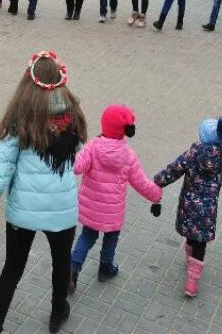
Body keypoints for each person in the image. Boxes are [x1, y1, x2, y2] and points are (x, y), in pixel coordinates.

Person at [0, 51, 86, 334]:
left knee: (12, 268)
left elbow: (1, 174)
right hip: (62, 210)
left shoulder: (19, 119)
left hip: (22, 211)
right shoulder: (72, 115)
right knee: (61, 264)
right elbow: (81, 160)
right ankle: (57, 313)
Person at [69, 105, 161, 294]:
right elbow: (141, 182)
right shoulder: (128, 155)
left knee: (87, 235)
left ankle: (72, 268)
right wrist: (156, 195)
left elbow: (77, 167)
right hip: (113, 211)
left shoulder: (93, 147)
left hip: (91, 207)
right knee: (111, 238)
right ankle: (105, 269)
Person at [153, 118, 222, 298]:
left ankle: (190, 267)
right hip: (209, 207)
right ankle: (192, 280)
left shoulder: (196, 152)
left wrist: (158, 181)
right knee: (201, 241)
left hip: (189, 204)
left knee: (192, 234)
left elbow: (175, 169)